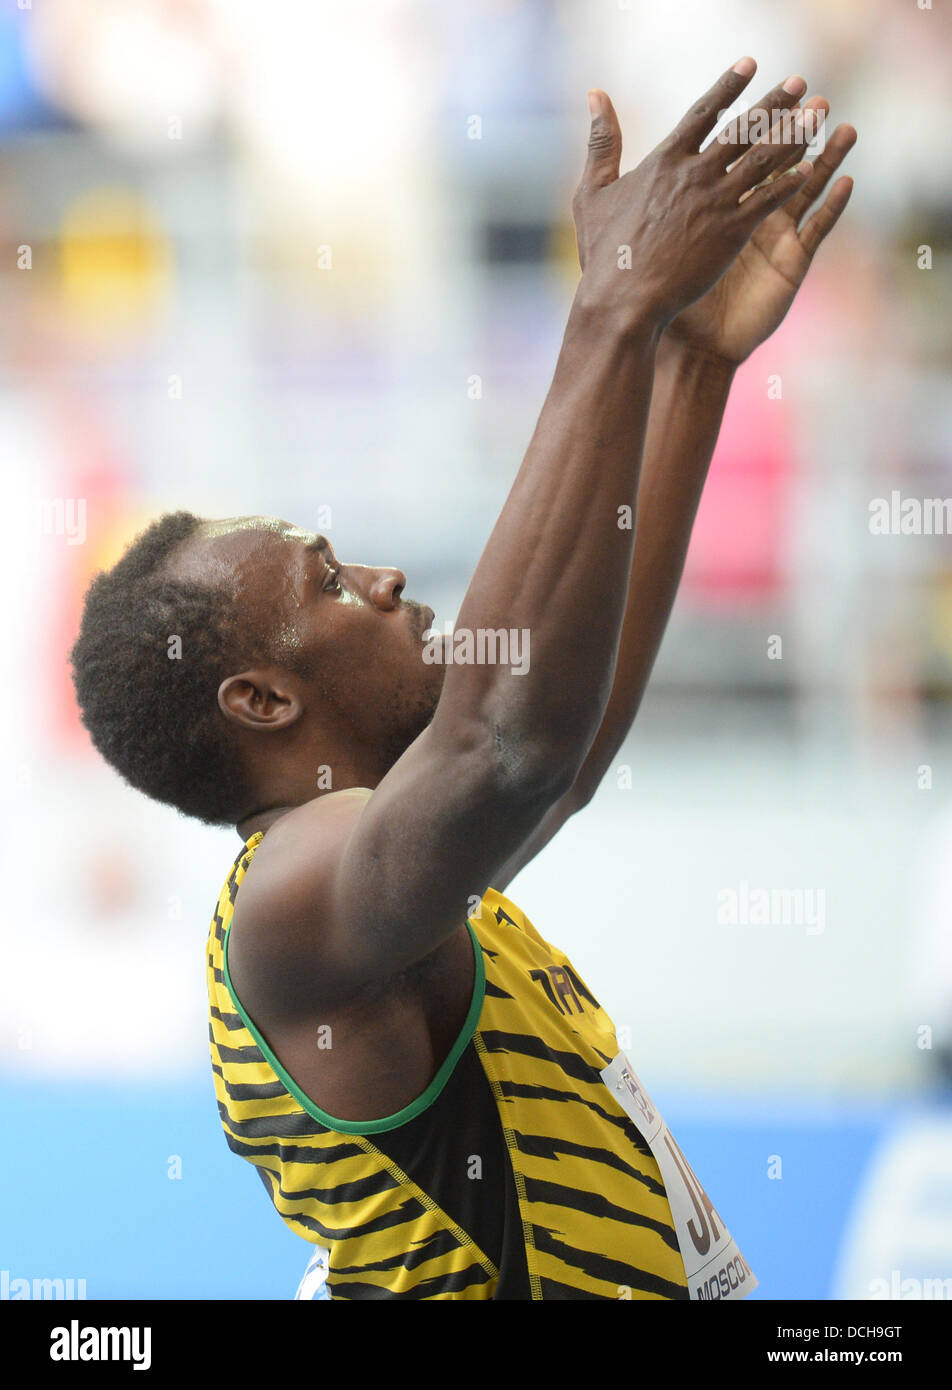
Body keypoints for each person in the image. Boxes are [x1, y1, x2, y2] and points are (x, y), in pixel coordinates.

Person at [70, 58, 856, 1300]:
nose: (383, 580)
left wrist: (689, 358)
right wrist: (607, 310)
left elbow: (560, 748)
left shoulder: (412, 886)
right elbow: (507, 742)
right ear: (263, 701)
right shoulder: (285, 907)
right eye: (326, 580)